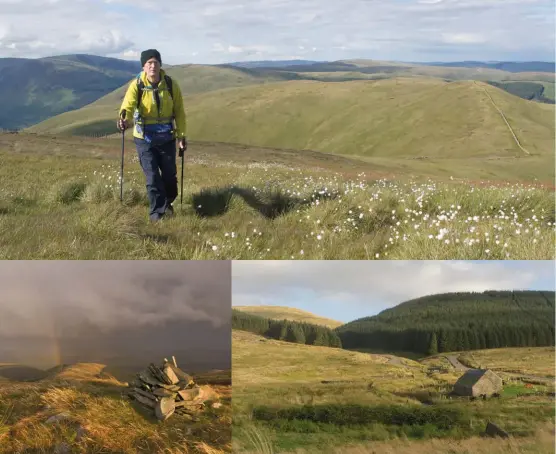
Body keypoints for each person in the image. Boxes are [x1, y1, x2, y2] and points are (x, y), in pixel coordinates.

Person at [117, 49, 187, 222]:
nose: (153, 66)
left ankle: (167, 202)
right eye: (149, 63)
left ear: (160, 65)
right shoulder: (137, 85)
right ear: (143, 66)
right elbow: (128, 105)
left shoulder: (171, 85)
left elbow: (179, 112)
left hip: (167, 137)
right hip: (144, 139)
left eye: (155, 62)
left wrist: (181, 136)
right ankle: (157, 215)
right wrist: (124, 119)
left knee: (170, 176)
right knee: (153, 176)